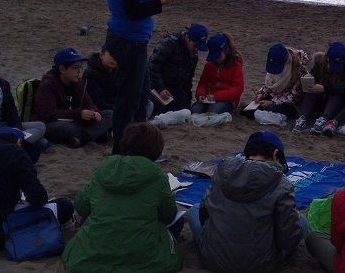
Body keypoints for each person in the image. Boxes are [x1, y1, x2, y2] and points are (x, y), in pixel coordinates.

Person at [105, 0, 180, 153]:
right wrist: (161, 2)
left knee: (140, 100)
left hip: (134, 40)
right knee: (128, 102)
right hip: (128, 40)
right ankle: (121, 153)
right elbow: (133, 10)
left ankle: (138, 150)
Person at [62, 122, 183, 273]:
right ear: (157, 152)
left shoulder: (105, 169)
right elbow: (169, 215)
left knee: (91, 217)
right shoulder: (157, 176)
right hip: (146, 259)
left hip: (91, 256)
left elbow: (81, 205)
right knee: (176, 223)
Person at [189, 130, 306, 272]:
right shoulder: (282, 184)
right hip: (262, 265)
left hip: (214, 260)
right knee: (302, 222)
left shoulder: (223, 172)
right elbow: (288, 239)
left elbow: (203, 213)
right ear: (276, 154)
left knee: (194, 209)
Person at [34, 47, 113, 148]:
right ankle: (94, 134)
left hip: (75, 120)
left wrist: (94, 112)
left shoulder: (79, 83)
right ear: (62, 69)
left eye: (80, 67)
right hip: (53, 123)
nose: (79, 71)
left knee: (110, 114)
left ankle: (81, 138)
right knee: (67, 128)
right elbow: (49, 114)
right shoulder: (48, 85)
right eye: (75, 68)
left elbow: (89, 103)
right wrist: (78, 114)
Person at [296, 42, 345, 133]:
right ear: (326, 58)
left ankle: (324, 120)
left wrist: (324, 88)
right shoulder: (319, 63)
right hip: (321, 102)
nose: (330, 67)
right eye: (329, 62)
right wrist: (308, 79)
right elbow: (312, 80)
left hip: (338, 106)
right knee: (311, 89)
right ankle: (303, 118)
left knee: (336, 93)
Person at [149, 23, 209, 115]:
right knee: (157, 112)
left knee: (184, 112)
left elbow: (188, 79)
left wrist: (188, 100)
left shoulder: (193, 54)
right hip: (158, 87)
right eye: (195, 46)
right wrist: (160, 88)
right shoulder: (169, 43)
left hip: (177, 89)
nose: (196, 50)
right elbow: (153, 65)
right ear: (187, 38)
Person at [244, 43, 308, 120]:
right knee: (248, 109)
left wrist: (273, 103)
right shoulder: (275, 62)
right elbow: (269, 84)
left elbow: (294, 97)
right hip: (275, 96)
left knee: (278, 109)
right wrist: (261, 94)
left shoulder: (298, 70)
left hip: (290, 102)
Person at [191, 33, 244, 114]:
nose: (216, 59)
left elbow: (237, 89)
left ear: (226, 51)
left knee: (213, 111)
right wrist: (201, 94)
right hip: (209, 98)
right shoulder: (210, 64)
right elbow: (202, 83)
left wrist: (216, 96)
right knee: (194, 110)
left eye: (218, 56)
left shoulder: (236, 65)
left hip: (228, 100)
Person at [84, 45, 118, 111]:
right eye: (111, 54)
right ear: (101, 55)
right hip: (98, 111)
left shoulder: (119, 73)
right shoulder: (91, 75)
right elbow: (98, 103)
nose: (114, 58)